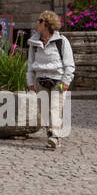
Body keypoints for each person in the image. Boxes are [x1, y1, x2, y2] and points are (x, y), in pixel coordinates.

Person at [26, 11, 75, 149]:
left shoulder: (61, 41)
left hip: (58, 81)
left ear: (47, 24)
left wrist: (66, 81)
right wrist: (30, 82)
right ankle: (53, 132)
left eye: (40, 20)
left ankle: (55, 136)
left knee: (55, 107)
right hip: (41, 80)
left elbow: (69, 64)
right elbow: (30, 64)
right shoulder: (34, 43)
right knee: (44, 109)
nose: (37, 22)